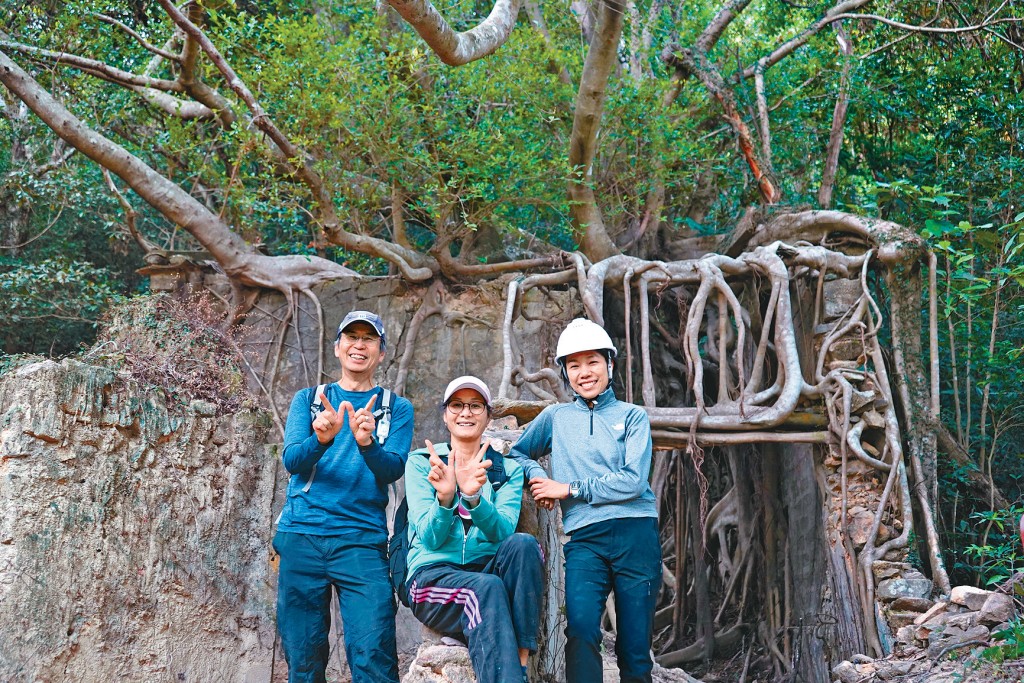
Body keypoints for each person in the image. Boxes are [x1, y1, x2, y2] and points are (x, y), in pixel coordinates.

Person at [509, 318, 661, 683]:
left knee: (635, 648)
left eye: (592, 362)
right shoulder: (556, 417)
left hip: (636, 535)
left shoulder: (632, 416)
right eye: (573, 365)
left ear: (609, 364)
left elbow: (632, 481)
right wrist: (537, 477)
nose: (584, 372)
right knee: (579, 630)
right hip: (585, 541)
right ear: (565, 372)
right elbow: (516, 454)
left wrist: (569, 489)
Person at [273, 310, 414, 683]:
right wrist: (321, 439)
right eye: (351, 336)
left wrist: (367, 443)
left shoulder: (396, 408)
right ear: (337, 348)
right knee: (303, 658)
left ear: (381, 352)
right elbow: (291, 461)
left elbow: (393, 469)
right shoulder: (310, 399)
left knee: (373, 654)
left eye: (369, 339)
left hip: (362, 541)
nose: (359, 344)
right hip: (302, 535)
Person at [403, 376, 543, 683]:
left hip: (483, 573)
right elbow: (430, 537)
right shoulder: (423, 463)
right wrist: (446, 498)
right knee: (484, 588)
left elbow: (503, 533)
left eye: (475, 405)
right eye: (457, 405)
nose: (466, 412)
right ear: (445, 414)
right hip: (431, 578)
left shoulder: (506, 469)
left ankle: (519, 664)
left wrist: (475, 499)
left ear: (488, 415)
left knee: (524, 545)